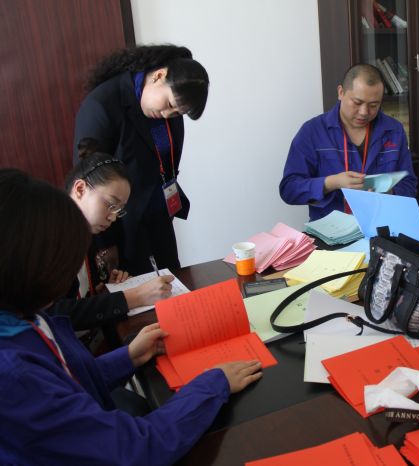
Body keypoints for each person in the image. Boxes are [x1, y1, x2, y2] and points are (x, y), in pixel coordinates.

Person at [0, 168, 263, 465]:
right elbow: (135, 449)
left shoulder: (26, 315)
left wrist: (128, 357)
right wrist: (213, 385)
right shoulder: (13, 376)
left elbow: (69, 383)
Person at [73, 45, 209, 275]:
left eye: (177, 113)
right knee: (137, 290)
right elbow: (90, 182)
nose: (168, 115)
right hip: (120, 226)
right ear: (159, 76)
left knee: (173, 282)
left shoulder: (170, 109)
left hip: (159, 216)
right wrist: (105, 245)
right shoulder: (102, 106)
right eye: (168, 105)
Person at [48, 139, 174, 331]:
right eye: (110, 204)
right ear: (80, 189)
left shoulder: (85, 231)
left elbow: (77, 297)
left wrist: (105, 289)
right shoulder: (48, 238)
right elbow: (53, 314)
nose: (113, 217)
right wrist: (135, 296)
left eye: (119, 210)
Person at [279, 63, 417, 221]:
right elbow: (289, 189)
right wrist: (331, 182)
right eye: (357, 103)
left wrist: (390, 192)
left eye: (373, 105)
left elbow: (409, 184)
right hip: (331, 231)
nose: (364, 112)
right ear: (341, 93)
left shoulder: (394, 130)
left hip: (381, 224)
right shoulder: (312, 132)